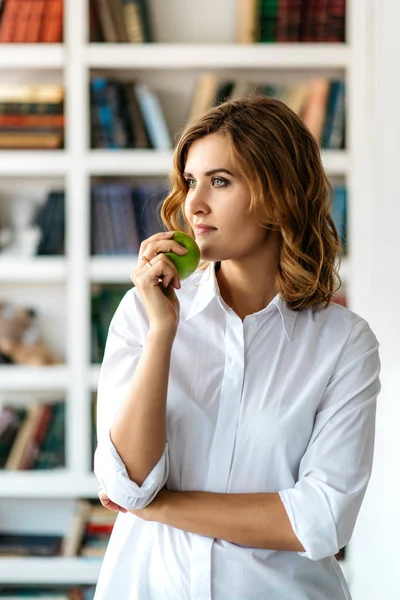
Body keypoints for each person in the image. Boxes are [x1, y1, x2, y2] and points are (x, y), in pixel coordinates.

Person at [93, 95, 381, 600]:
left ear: (278, 194)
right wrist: (163, 334)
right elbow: (129, 482)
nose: (194, 204)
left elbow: (321, 521)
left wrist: (156, 507)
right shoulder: (143, 313)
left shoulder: (344, 344)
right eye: (190, 181)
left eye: (220, 181)